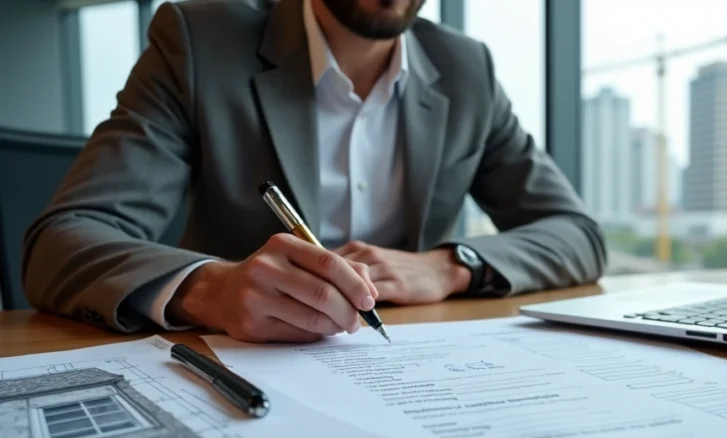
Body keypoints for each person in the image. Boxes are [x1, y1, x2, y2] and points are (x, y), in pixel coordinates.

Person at [21, 0, 606, 343]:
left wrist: (453, 265)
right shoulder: (199, 43)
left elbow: (577, 234)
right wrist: (210, 288)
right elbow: (60, 243)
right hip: (244, 377)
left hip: (407, 372)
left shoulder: (465, 68)